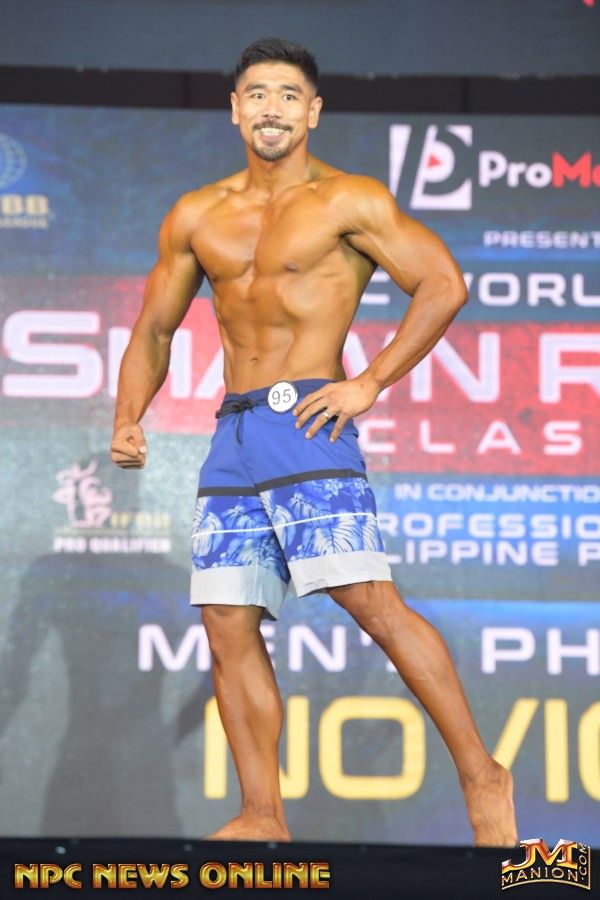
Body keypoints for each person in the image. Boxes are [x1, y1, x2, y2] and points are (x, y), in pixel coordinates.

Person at [111, 37, 518, 847]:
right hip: (234, 431)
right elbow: (155, 329)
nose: (273, 108)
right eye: (259, 94)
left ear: (314, 112)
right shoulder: (197, 215)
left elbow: (443, 283)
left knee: (370, 602)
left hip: (307, 423)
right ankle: (263, 814)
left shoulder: (348, 201)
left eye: (289, 96)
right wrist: (129, 414)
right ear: (235, 110)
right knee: (226, 621)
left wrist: (370, 381)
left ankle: (483, 775)